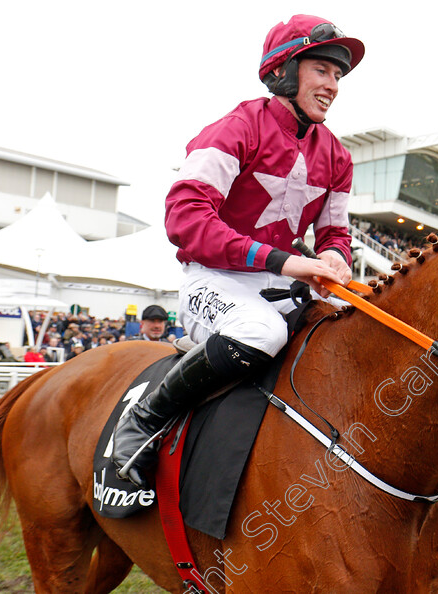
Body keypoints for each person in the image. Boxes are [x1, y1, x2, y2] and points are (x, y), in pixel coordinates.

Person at [111, 14, 365, 489]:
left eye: (338, 75)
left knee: (358, 325)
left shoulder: (338, 157)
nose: (333, 85)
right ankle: (144, 420)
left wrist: (336, 258)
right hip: (214, 278)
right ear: (282, 72)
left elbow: (335, 234)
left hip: (285, 282)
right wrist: (285, 261)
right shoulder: (234, 128)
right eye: (321, 70)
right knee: (261, 331)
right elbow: (185, 220)